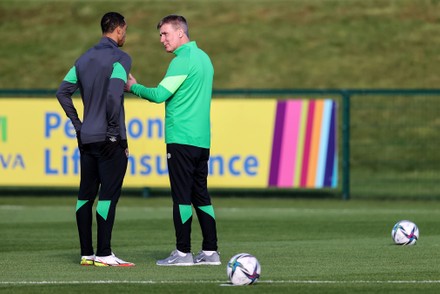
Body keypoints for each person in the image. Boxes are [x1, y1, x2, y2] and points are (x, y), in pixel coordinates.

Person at [125, 14, 220, 266]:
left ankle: (182, 252)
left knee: (181, 196)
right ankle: (210, 252)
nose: (162, 39)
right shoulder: (204, 58)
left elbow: (158, 95)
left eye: (165, 34)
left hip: (181, 139)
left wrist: (133, 87)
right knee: (201, 195)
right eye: (160, 35)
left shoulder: (183, 60)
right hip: (201, 140)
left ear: (180, 32)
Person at [56, 12, 134, 267]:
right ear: (119, 30)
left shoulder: (83, 59)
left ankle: (87, 254)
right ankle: (104, 253)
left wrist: (78, 126)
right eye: (125, 30)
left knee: (85, 196)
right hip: (109, 139)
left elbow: (62, 93)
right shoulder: (121, 58)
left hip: (87, 137)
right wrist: (114, 132)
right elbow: (113, 95)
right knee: (108, 196)